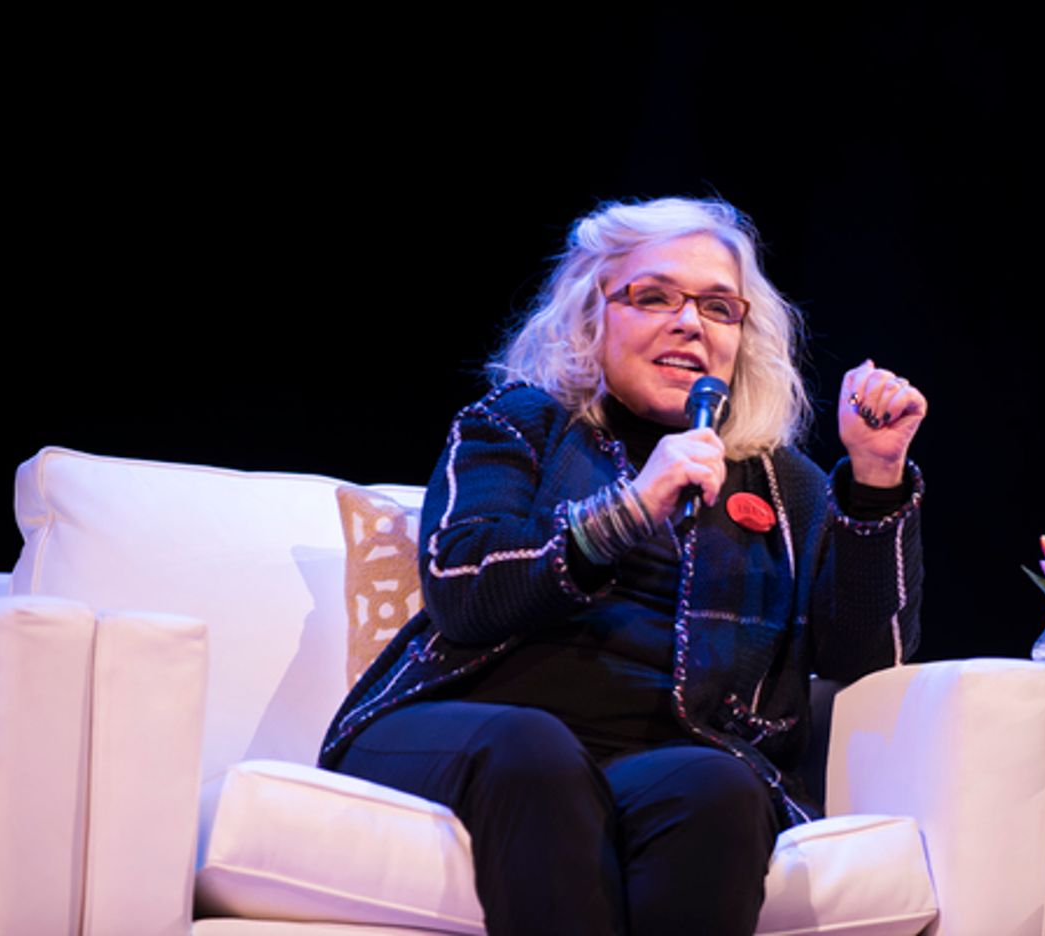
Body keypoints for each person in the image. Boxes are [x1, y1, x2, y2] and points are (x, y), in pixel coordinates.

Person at [318, 197, 927, 935]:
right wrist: (631, 510)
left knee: (720, 787)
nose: (689, 323)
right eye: (653, 297)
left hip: (665, 749)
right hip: (466, 723)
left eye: (718, 308)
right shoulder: (516, 424)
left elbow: (864, 658)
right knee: (532, 746)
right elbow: (463, 590)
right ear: (590, 316)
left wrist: (873, 479)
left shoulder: (781, 482)